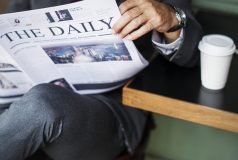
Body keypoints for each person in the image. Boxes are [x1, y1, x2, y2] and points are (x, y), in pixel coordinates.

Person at [0, 0, 203, 160]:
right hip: (23, 89)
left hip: (109, 107)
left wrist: (172, 18)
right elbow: (11, 22)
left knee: (40, 106)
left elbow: (193, 51)